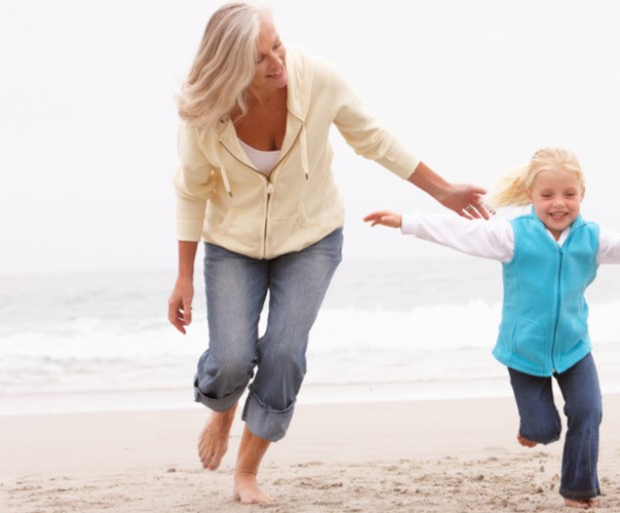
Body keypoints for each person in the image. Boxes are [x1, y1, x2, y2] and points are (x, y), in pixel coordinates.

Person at [166, 2, 489, 505]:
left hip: (312, 238)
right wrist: (183, 276)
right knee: (231, 360)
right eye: (258, 58)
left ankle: (246, 472)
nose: (276, 61)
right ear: (229, 65)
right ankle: (223, 405)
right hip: (233, 245)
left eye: (277, 44)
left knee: (284, 354)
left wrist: (442, 191)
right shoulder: (205, 115)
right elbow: (190, 191)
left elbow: (374, 139)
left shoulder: (318, 78)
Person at [364, 147, 620, 508]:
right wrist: (406, 222)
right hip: (523, 351)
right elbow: (460, 232)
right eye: (547, 195)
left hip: (574, 348)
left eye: (569, 194)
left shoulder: (593, 238)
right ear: (530, 196)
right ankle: (532, 429)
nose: (559, 203)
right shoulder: (511, 236)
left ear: (582, 195)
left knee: (589, 411)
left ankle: (577, 491)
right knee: (544, 431)